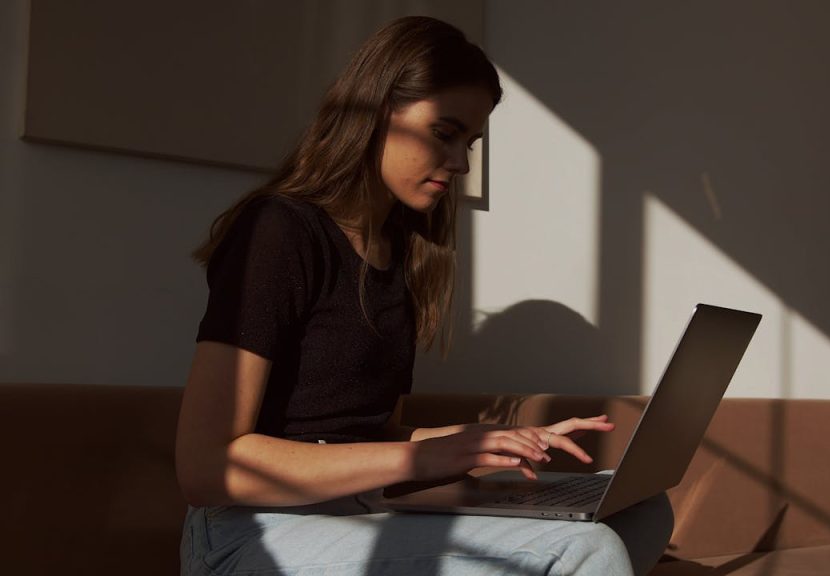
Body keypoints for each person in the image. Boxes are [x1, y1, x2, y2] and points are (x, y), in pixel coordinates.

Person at [176, 16, 672, 576]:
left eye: (471, 141)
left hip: (364, 509)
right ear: (375, 111)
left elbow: (362, 436)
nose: (461, 162)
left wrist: (481, 442)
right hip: (253, 532)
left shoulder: (400, 251)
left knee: (637, 510)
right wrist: (427, 453)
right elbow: (205, 466)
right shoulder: (278, 231)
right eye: (445, 132)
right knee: (589, 549)